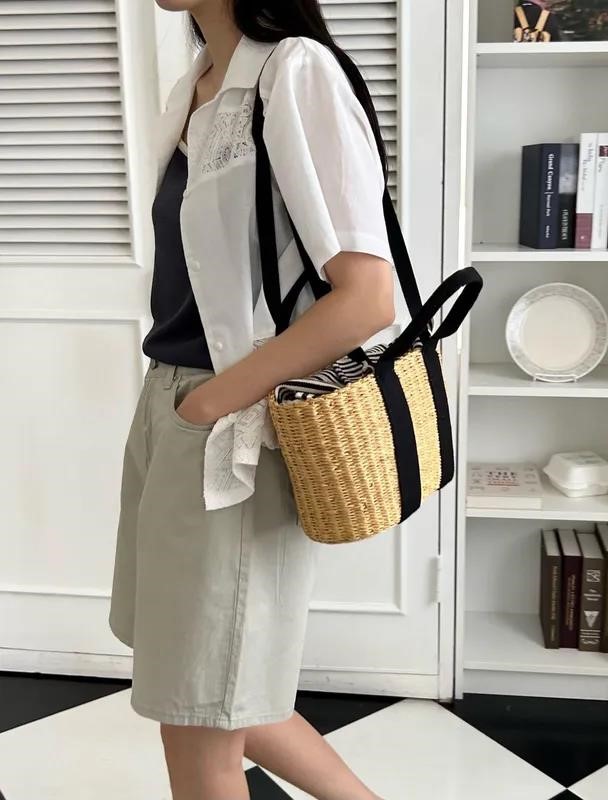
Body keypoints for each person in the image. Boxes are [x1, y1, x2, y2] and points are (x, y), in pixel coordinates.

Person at [108, 1, 396, 798]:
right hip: (172, 402)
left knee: (199, 712)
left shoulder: (294, 71)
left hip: (230, 427)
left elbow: (368, 297)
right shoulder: (201, 82)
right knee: (205, 680)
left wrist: (210, 404)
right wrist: (181, 409)